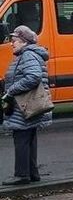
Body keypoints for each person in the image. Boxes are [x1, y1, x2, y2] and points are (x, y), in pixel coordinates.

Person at [1, 26, 51, 185]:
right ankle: (32, 173)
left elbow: (33, 77)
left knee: (21, 138)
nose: (11, 44)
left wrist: (11, 90)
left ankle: (22, 175)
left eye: (14, 40)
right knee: (29, 137)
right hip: (28, 104)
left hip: (24, 104)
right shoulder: (29, 54)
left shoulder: (27, 55)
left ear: (24, 42)